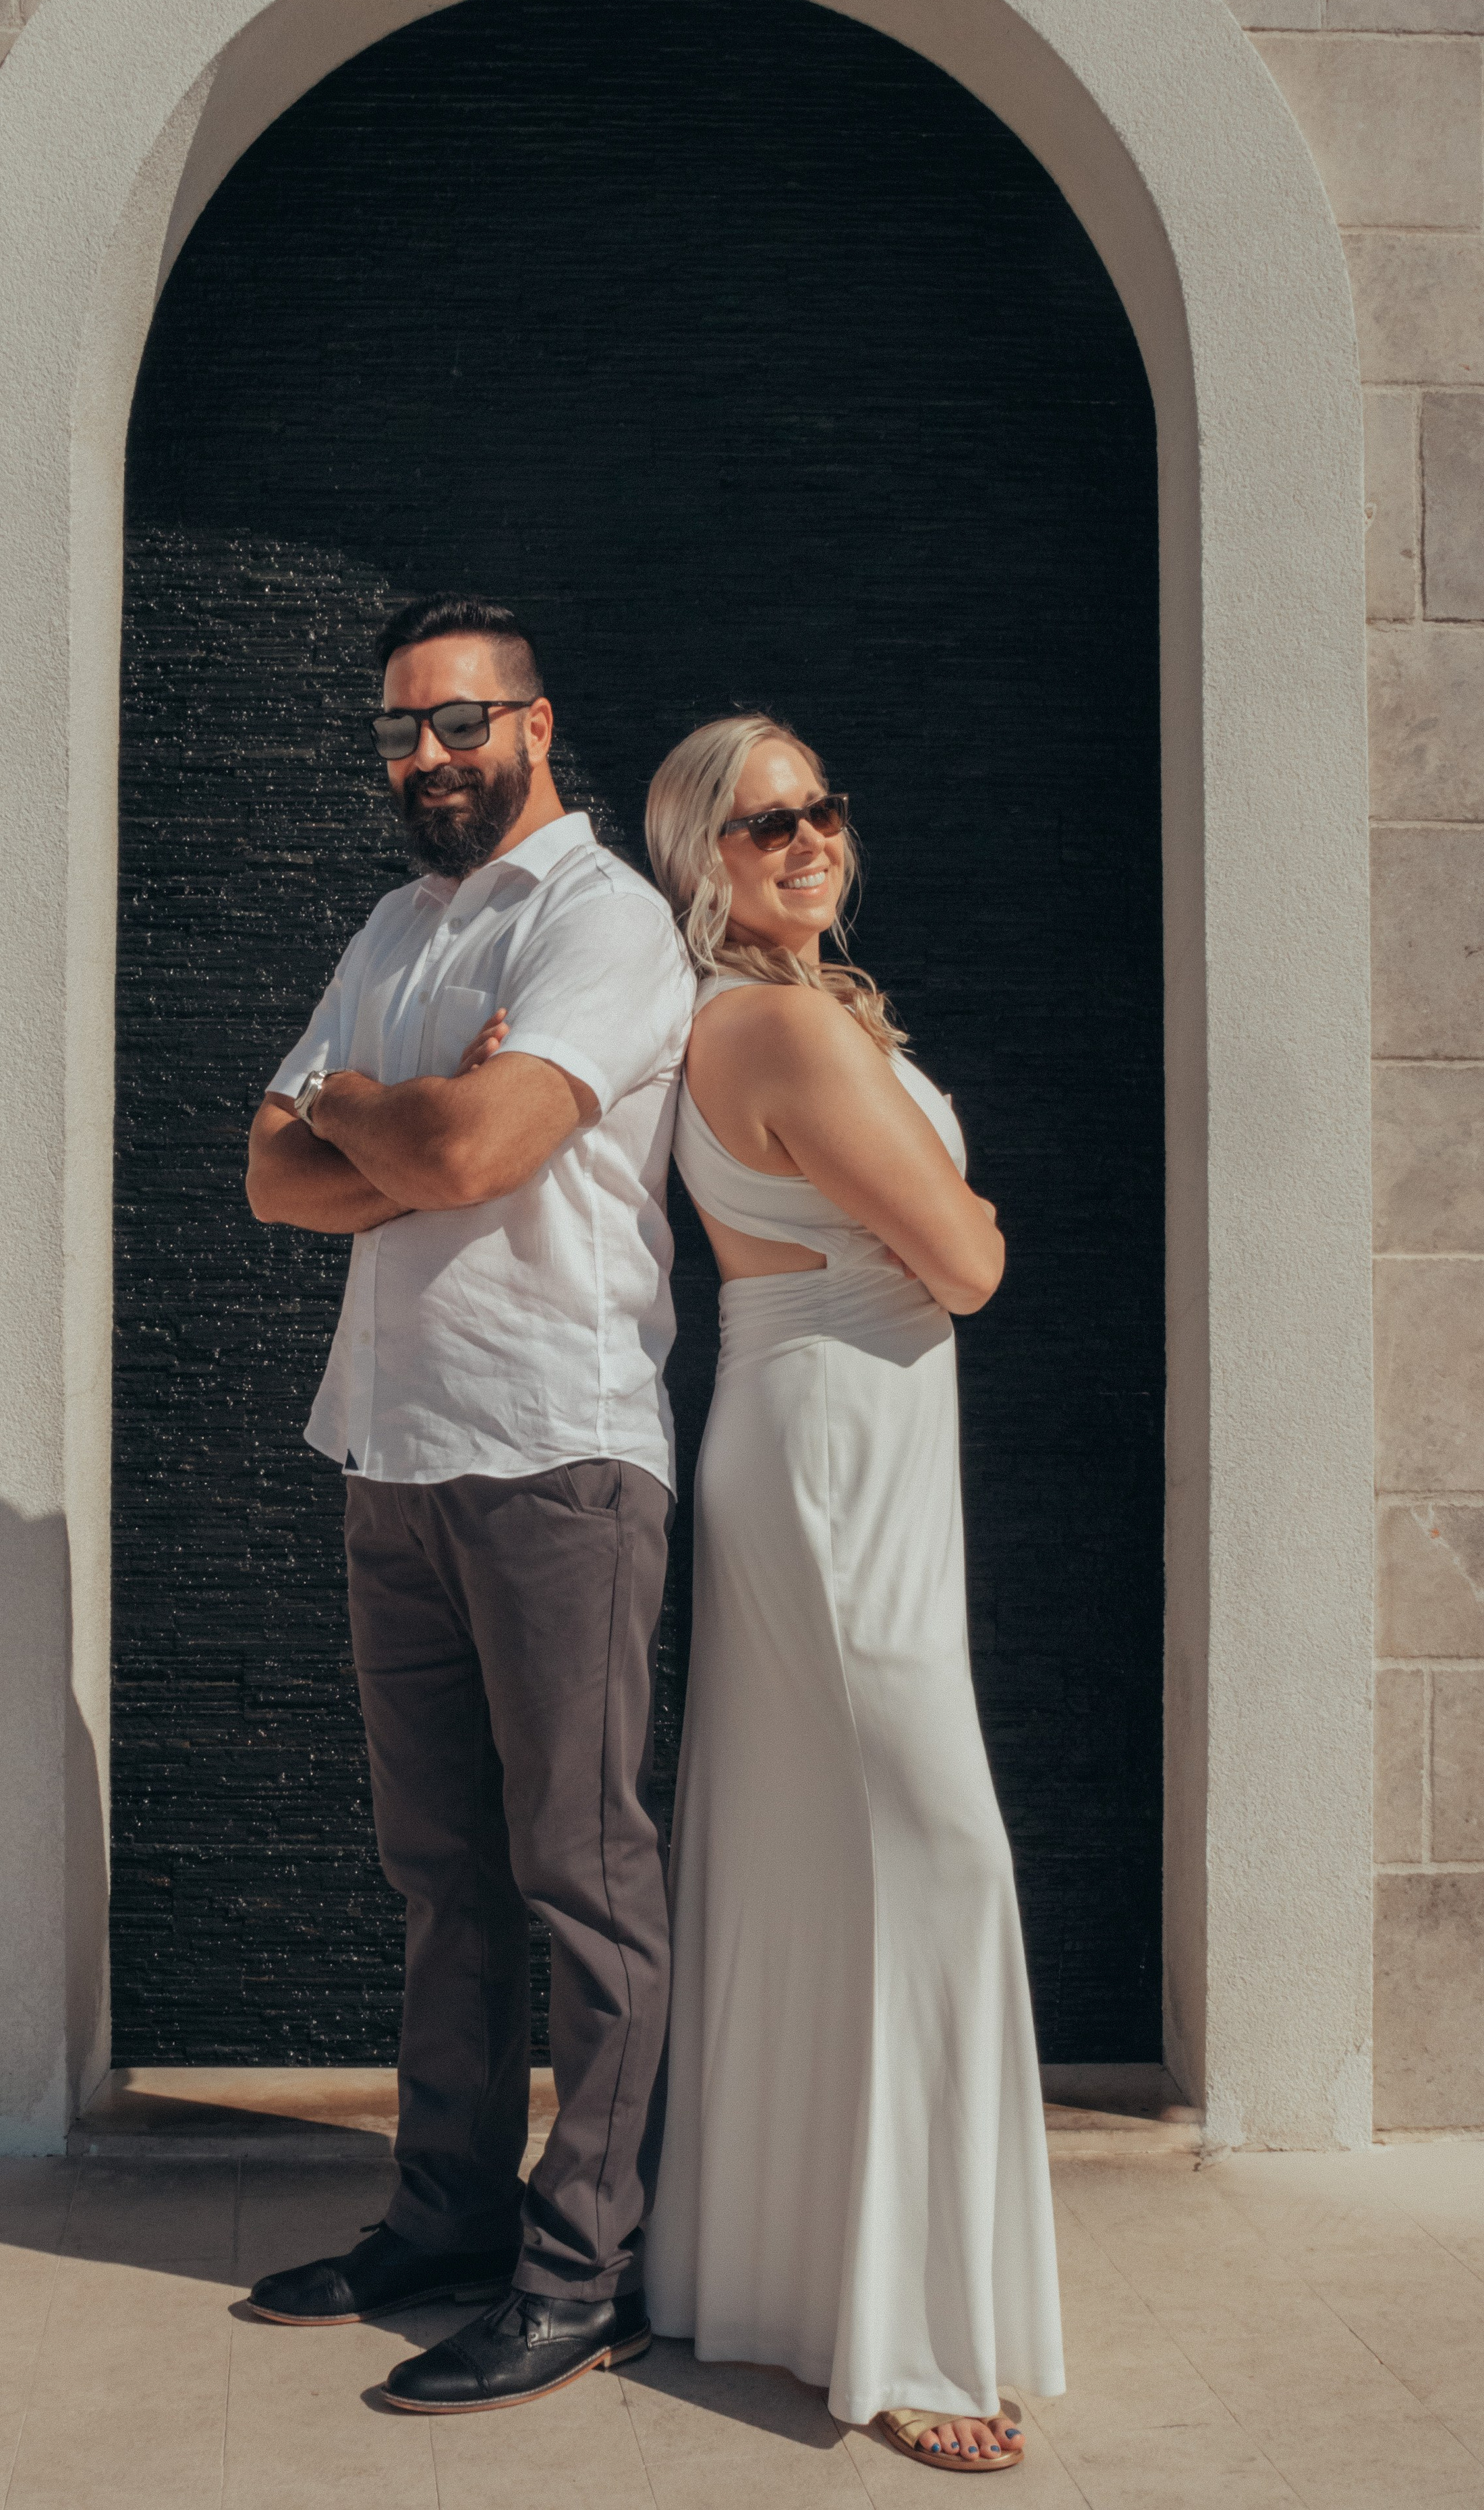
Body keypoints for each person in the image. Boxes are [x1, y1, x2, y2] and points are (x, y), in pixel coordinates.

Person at [242, 596, 695, 2414]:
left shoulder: (605, 922)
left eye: (458, 726)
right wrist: (393, 1113)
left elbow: (474, 1154)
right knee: (439, 1885)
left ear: (534, 724)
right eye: (399, 736)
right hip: (395, 1449)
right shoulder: (391, 925)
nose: (425, 760)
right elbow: (280, 1180)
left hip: (555, 1453)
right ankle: (443, 2220)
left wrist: (372, 1110)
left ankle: (581, 2276)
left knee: (580, 1883)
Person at [639, 713, 1064, 2470]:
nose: (808, 840)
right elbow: (965, 1262)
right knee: (937, 1850)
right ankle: (904, 2334)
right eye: (762, 826)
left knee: (810, 1858)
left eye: (819, 810)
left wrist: (940, 1226)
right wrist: (964, 1222)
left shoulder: (781, 1014)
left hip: (822, 1436)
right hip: (831, 1449)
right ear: (701, 866)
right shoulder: (783, 1029)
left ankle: (769, 2280)